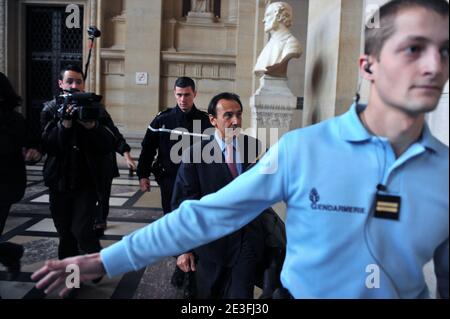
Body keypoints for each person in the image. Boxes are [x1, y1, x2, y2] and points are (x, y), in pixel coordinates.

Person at [33, 0, 449, 299]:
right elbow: (205, 212)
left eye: (444, 50)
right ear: (368, 66)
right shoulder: (302, 151)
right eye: (413, 48)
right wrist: (108, 261)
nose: (433, 66)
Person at [171, 92, 265, 298]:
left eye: (239, 115)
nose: (236, 121)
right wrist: (183, 249)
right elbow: (183, 203)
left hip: (245, 243)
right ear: (213, 120)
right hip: (210, 246)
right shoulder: (195, 155)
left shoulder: (254, 148)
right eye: (228, 115)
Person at [40, 65, 136, 238]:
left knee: (84, 229)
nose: (74, 86)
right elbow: (48, 145)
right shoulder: (50, 109)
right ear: (61, 83)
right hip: (60, 177)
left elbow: (111, 136)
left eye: (79, 82)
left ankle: (99, 223)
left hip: (91, 175)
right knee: (64, 231)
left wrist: (93, 127)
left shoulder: (95, 107)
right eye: (70, 81)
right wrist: (65, 125)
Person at [136, 76, 211, 289]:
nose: (182, 99)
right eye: (178, 94)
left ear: (194, 94)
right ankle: (180, 266)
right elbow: (147, 149)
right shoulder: (162, 120)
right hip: (170, 182)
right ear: (174, 94)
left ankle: (190, 268)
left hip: (198, 184)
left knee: (195, 225)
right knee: (174, 224)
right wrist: (143, 175)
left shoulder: (206, 122)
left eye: (187, 94)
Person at [0, 72, 41, 294]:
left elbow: (33, 142)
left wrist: (34, 151)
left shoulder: (14, 121)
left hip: (4, 187)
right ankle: (10, 253)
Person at [254, 2, 302, 78]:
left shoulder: (292, 44)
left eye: (268, 15)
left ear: (280, 16)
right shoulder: (269, 45)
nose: (263, 20)